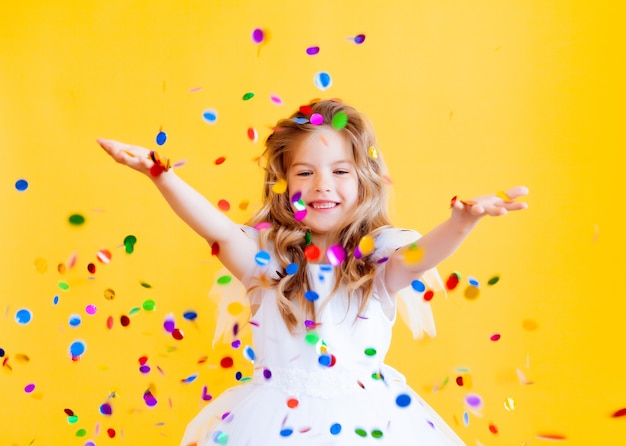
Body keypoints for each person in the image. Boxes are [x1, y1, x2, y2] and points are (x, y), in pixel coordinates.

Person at [97, 98, 528, 446]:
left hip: (373, 425)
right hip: (271, 424)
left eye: (340, 171)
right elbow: (219, 231)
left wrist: (462, 222)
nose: (323, 185)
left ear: (365, 180)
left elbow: (417, 257)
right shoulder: (265, 259)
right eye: (305, 172)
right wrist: (160, 174)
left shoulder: (377, 254)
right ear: (283, 182)